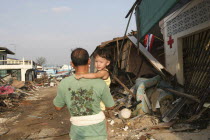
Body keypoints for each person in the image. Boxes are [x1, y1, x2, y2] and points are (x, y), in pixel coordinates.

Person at [53, 48, 115, 140]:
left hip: (77, 133)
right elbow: (110, 106)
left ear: (72, 64)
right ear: (89, 61)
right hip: (98, 132)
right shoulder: (100, 82)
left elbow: (58, 107)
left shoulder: (64, 83)